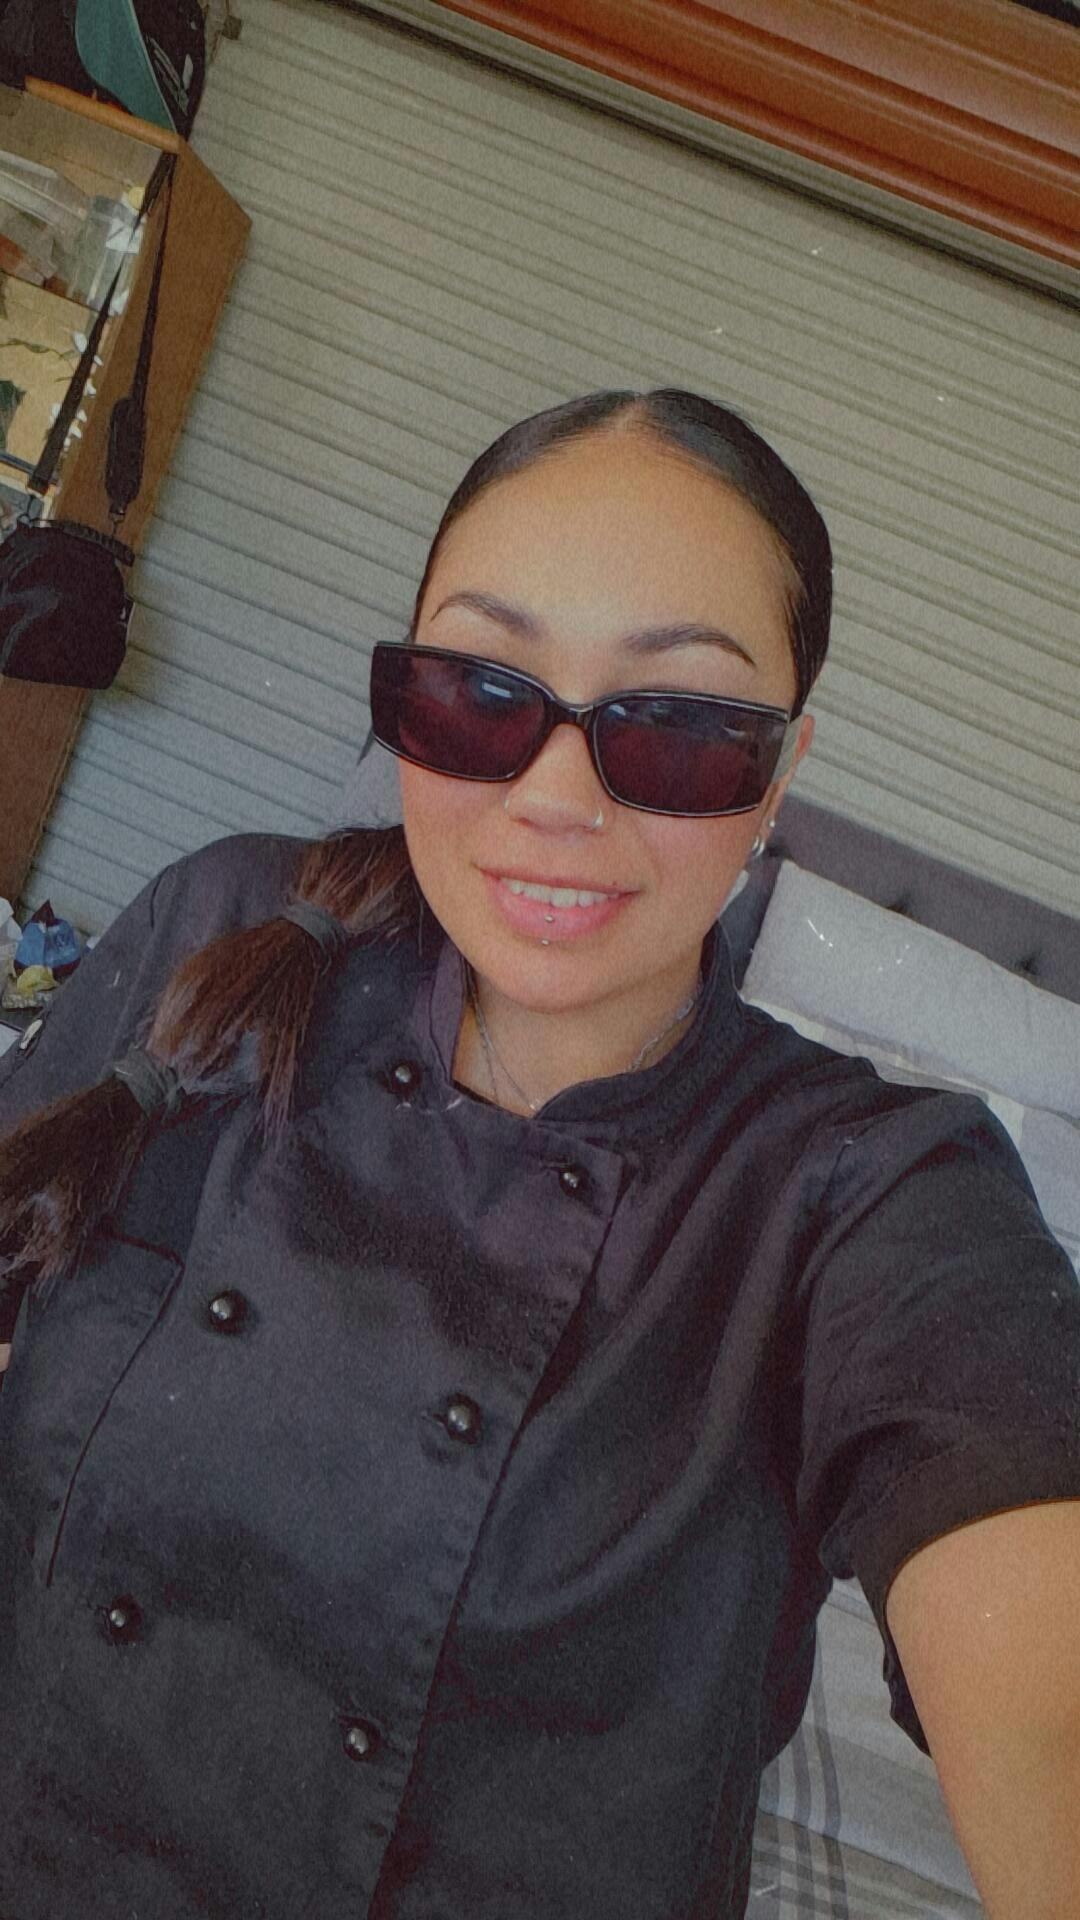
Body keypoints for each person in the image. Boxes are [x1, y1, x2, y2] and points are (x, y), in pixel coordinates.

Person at [0, 388, 1076, 1920]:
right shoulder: (228, 927)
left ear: (778, 774)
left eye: (683, 729)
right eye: (478, 693)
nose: (553, 801)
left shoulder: (870, 1194)